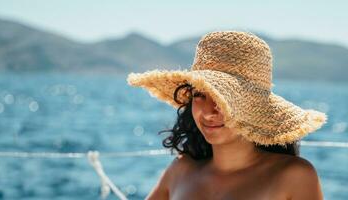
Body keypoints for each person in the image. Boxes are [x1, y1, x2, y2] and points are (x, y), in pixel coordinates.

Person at [127, 31, 328, 200]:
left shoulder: (293, 176)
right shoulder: (181, 169)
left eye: (223, 98)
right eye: (199, 95)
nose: (208, 112)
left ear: (253, 107)